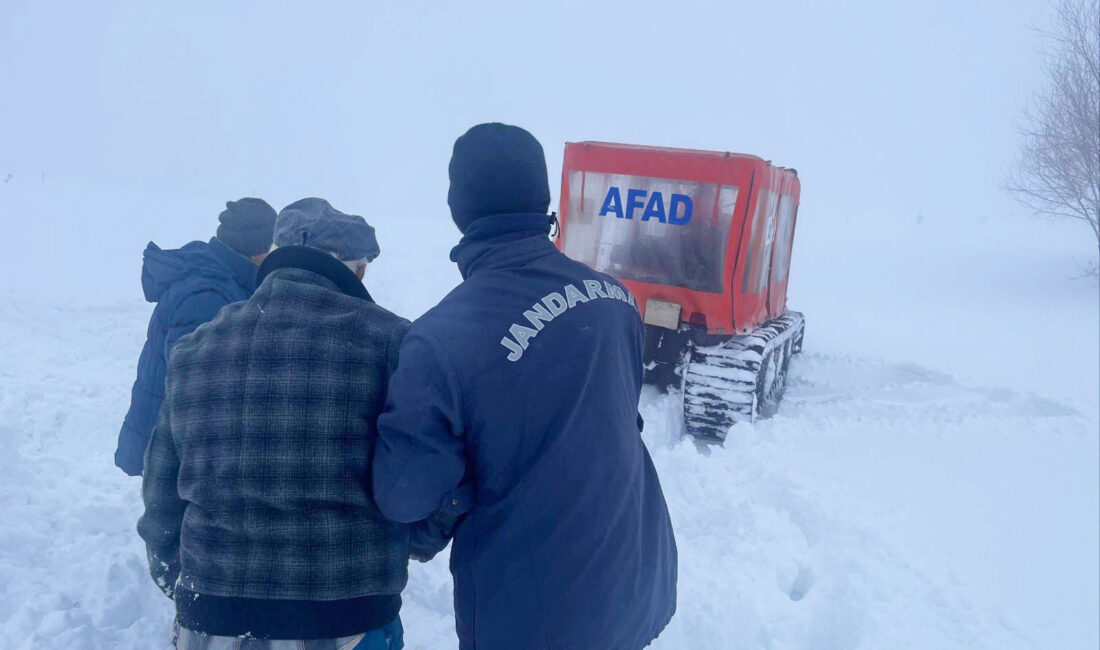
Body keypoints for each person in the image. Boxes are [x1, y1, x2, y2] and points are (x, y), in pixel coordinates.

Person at [372, 123, 679, 649]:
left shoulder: (441, 339)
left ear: (458, 209)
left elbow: (403, 495)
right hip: (637, 583)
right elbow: (620, 422)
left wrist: (461, 486)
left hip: (535, 621)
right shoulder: (615, 299)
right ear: (544, 200)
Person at [138, 198, 417, 649]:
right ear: (358, 271)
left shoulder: (195, 348)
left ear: (273, 256)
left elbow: (161, 493)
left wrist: (190, 586)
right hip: (349, 612)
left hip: (211, 614)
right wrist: (409, 543)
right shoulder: (392, 341)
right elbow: (421, 470)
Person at [114, 198, 277, 476]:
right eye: (273, 245)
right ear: (256, 248)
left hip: (175, 444)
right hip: (176, 450)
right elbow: (194, 388)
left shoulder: (225, 279)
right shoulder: (207, 295)